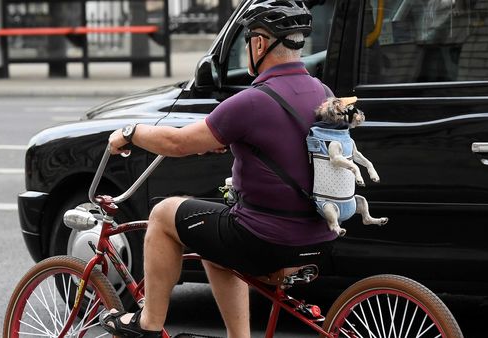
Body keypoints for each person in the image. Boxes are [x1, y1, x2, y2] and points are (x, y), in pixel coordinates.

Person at [99, 0, 339, 337]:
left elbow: (176, 144)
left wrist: (130, 133)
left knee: (165, 214)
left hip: (266, 239)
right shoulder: (323, 92)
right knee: (213, 235)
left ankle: (148, 322)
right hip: (320, 237)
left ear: (259, 44)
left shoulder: (251, 101)